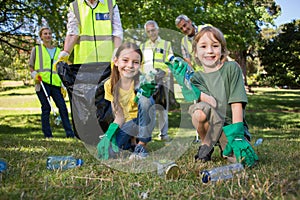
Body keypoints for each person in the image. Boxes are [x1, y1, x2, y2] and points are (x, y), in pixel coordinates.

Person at [167, 26, 258, 167]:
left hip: (231, 127)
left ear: (222, 49)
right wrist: (188, 86)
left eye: (215, 46)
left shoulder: (231, 68)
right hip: (212, 124)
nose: (209, 50)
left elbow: (236, 104)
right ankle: (206, 146)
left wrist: (237, 135)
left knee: (241, 161)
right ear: (196, 53)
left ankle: (225, 145)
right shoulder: (197, 77)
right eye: (203, 46)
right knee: (198, 112)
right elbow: (211, 103)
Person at [55, 0, 123, 143]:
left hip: (107, 61)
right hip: (84, 63)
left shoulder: (110, 4)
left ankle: (110, 135)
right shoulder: (75, 6)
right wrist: (65, 53)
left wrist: (117, 54)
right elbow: (73, 33)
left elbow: (117, 31)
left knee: (109, 99)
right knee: (87, 102)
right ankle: (90, 136)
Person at [97, 42, 156, 160]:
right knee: (112, 153)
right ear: (116, 61)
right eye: (125, 60)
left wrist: (145, 92)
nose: (130, 65)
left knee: (145, 100)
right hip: (128, 124)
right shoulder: (110, 85)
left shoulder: (142, 81)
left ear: (140, 65)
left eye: (135, 62)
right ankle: (131, 143)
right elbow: (119, 116)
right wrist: (109, 134)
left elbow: (147, 107)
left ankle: (141, 146)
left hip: (142, 121)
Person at [29, 27, 74, 138]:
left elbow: (63, 67)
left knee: (63, 108)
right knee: (46, 108)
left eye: (49, 33)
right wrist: (34, 74)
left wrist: (63, 83)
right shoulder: (36, 49)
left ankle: (70, 133)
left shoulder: (58, 51)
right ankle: (47, 134)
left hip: (56, 84)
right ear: (41, 36)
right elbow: (31, 66)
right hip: (42, 83)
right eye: (45, 34)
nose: (48, 35)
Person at [140, 20, 175, 141]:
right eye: (148, 31)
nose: (151, 33)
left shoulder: (166, 44)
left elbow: (171, 62)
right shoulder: (143, 46)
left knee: (162, 108)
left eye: (153, 30)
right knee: (148, 107)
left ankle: (163, 134)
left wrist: (164, 72)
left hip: (162, 80)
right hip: (148, 82)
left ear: (157, 30)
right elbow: (141, 63)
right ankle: (147, 134)